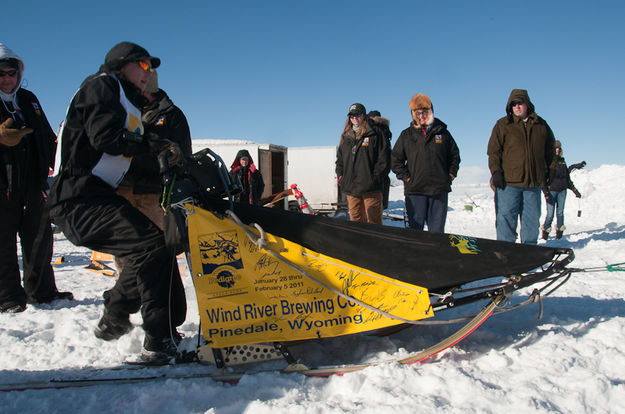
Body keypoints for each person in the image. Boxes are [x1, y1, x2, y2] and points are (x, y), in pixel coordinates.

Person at [48, 42, 186, 362]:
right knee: (152, 245)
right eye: (144, 65)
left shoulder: (128, 102)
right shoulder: (102, 85)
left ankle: (123, 317)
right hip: (76, 197)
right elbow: (105, 138)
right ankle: (154, 337)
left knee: (155, 245)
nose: (148, 74)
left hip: (96, 193)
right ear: (123, 64)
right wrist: (155, 143)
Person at [0, 43, 73, 313]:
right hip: (3, 185)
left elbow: (45, 134)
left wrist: (61, 152)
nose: (7, 78)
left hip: (34, 182)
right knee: (3, 242)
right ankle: (7, 296)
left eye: (12, 73)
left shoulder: (28, 99)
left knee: (39, 237)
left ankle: (42, 291)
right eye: (2, 74)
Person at [487, 89, 555, 244]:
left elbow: (550, 150)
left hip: (533, 184)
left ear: (527, 105)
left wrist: (551, 169)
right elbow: (493, 152)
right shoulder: (503, 125)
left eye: (520, 103)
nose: (517, 107)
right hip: (508, 184)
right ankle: (506, 254)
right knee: (505, 221)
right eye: (513, 104)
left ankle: (528, 255)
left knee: (531, 222)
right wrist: (496, 172)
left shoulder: (541, 125)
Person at [391, 93, 460, 233]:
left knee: (437, 232)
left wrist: (451, 175)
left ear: (431, 112)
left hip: (438, 190)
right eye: (417, 113)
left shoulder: (443, 133)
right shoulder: (407, 135)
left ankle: (435, 255)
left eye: (424, 112)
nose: (421, 116)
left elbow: (455, 156)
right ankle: (415, 255)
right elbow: (395, 159)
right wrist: (407, 177)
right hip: (415, 190)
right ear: (413, 114)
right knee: (414, 231)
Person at [336, 103, 390, 224]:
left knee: (373, 223)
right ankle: (356, 243)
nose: (354, 118)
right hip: (351, 189)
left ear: (364, 116)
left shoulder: (375, 133)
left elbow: (384, 160)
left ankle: (374, 243)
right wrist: (341, 176)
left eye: (357, 114)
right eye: (351, 115)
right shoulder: (346, 136)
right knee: (355, 222)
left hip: (371, 189)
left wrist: (374, 178)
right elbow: (340, 161)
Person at [541, 140, 586, 240]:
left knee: (560, 212)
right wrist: (546, 192)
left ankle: (559, 234)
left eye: (558, 148)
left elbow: (566, 178)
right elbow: (543, 178)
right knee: (550, 214)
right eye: (555, 148)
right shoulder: (548, 161)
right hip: (551, 191)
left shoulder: (562, 161)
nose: (557, 150)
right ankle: (545, 233)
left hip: (562, 191)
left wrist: (575, 190)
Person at [367, 110, 392, 210]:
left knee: (372, 209)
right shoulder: (386, 130)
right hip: (383, 174)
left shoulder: (373, 130)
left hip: (373, 176)